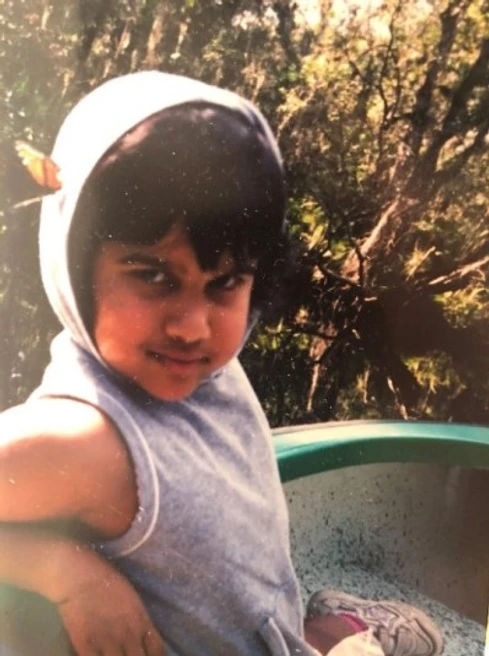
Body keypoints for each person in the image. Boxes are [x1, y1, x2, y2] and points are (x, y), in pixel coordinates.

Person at [0, 71, 444, 656]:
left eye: (225, 282)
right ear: (74, 264)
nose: (193, 326)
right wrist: (64, 573)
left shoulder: (196, 369)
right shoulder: (82, 439)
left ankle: (337, 629)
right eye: (153, 275)